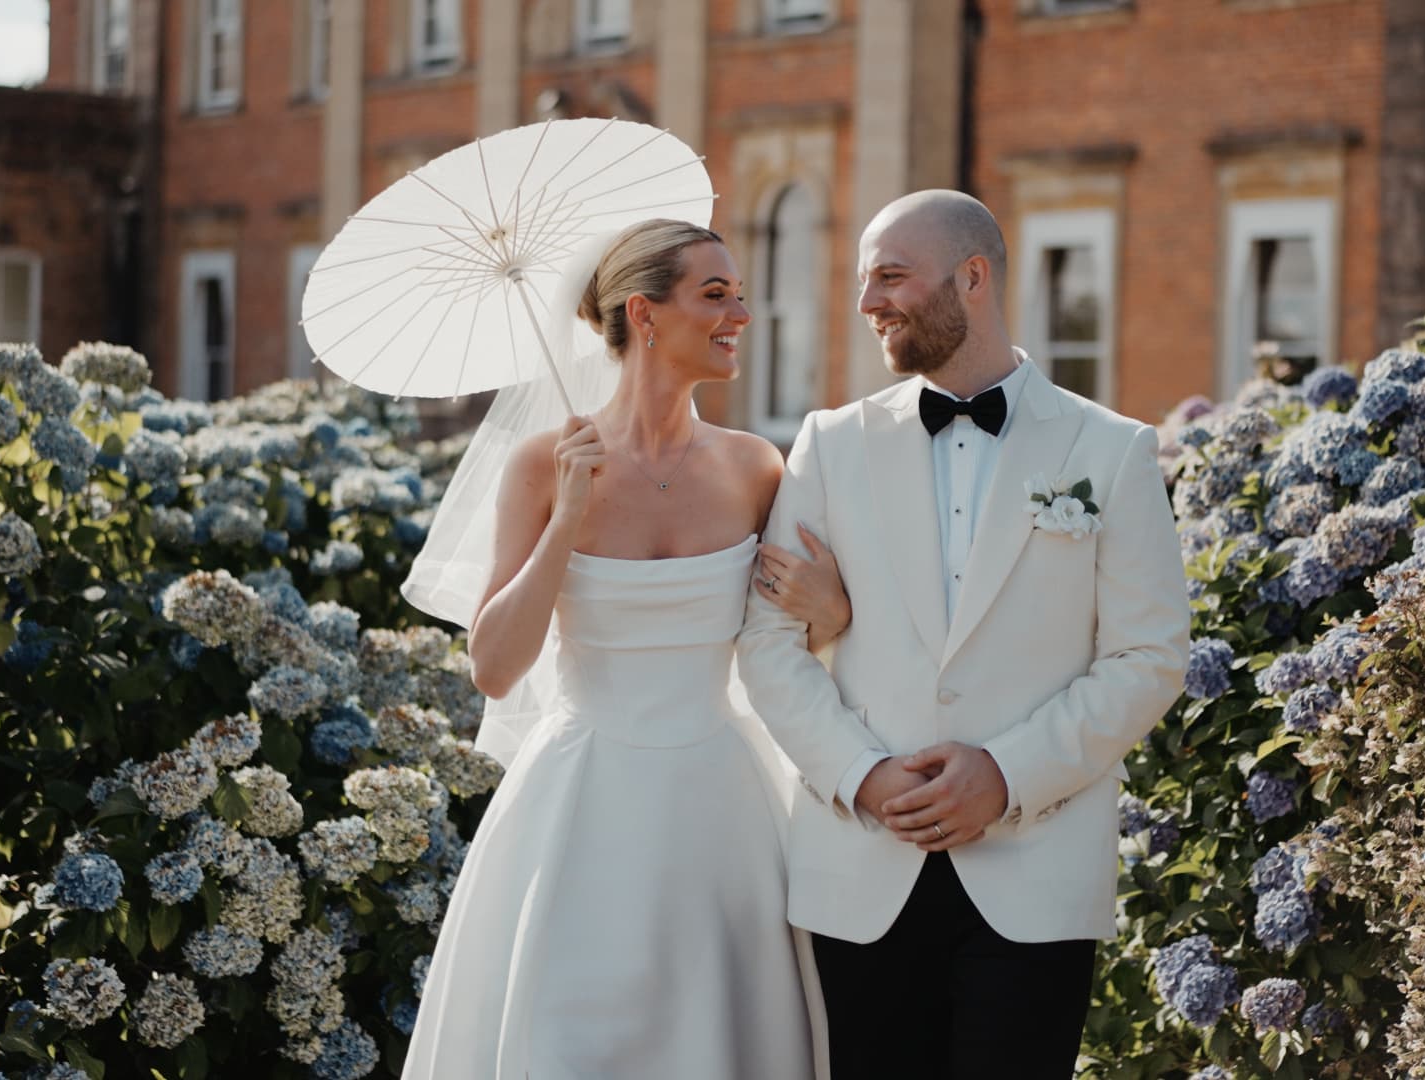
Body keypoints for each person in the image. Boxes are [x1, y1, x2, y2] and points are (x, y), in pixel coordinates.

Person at [736, 190, 1192, 1079]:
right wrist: (862, 776)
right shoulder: (829, 444)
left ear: (972, 277)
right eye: (865, 281)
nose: (868, 302)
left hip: (1036, 872)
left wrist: (1008, 774)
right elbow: (766, 642)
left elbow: (1149, 657)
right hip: (861, 870)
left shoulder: (1112, 450)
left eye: (891, 277)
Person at [399, 219, 839, 1080]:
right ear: (644, 313)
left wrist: (831, 607)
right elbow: (494, 667)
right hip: (581, 802)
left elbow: (795, 646)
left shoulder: (756, 468)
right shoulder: (542, 464)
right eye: (715, 294)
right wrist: (567, 516)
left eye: (740, 293)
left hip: (723, 810)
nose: (741, 314)